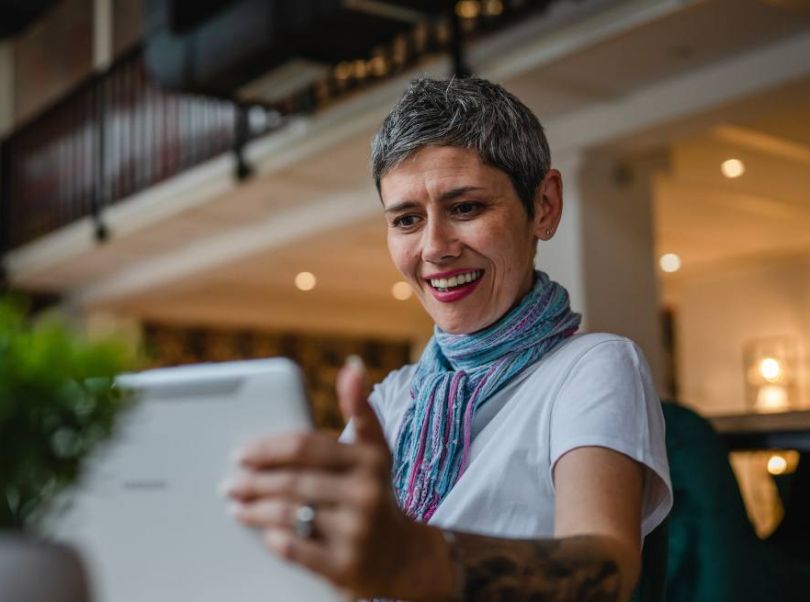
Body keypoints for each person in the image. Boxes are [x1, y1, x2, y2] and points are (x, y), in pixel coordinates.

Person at [224, 77, 672, 601]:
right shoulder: (393, 397)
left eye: (466, 208)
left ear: (544, 206)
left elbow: (607, 568)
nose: (434, 248)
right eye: (408, 219)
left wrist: (418, 561)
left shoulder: (594, 366)